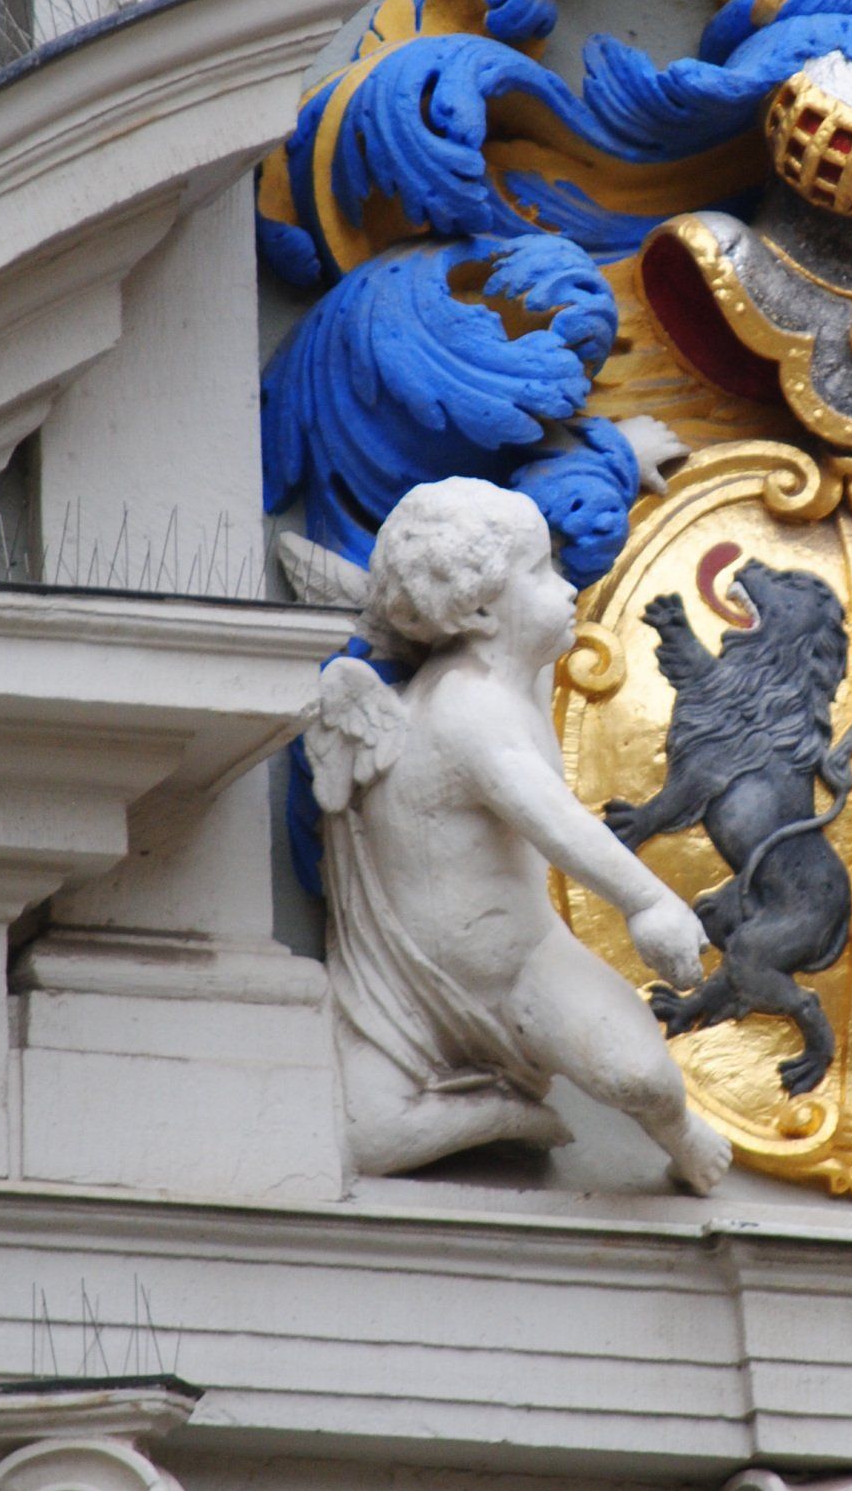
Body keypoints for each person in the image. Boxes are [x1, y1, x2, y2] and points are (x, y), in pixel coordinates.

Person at [304, 476, 732, 1192]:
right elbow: (555, 821)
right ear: (475, 609)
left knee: (643, 1081)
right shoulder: (467, 708)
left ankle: (681, 1135)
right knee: (367, 1138)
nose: (567, 589)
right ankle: (505, 1115)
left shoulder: (514, 680)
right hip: (413, 1001)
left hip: (525, 973)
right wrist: (648, 902)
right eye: (541, 572)